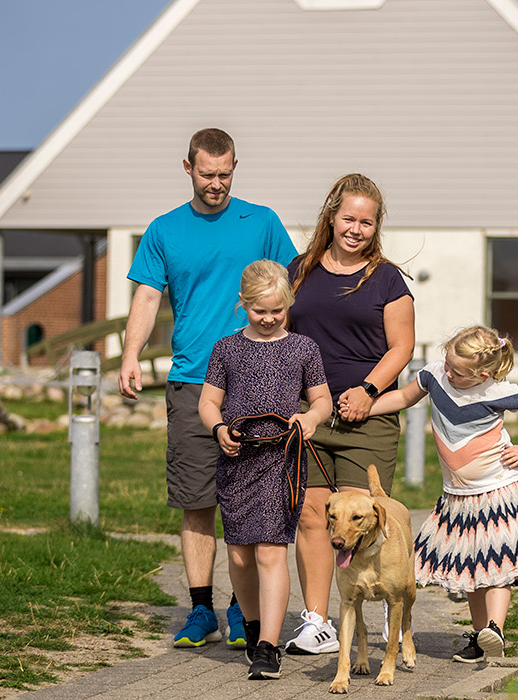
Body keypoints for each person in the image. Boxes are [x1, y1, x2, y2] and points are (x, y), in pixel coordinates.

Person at [117, 128, 298, 650]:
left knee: (249, 502)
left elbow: (290, 289)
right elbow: (148, 298)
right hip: (193, 380)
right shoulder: (164, 230)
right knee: (197, 500)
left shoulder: (261, 221)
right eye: (206, 173)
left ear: (235, 166)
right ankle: (201, 610)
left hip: (257, 381)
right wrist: (131, 354)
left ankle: (243, 611)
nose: (216, 183)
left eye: (225, 173)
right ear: (187, 167)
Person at [282, 173, 415, 655]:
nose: (356, 229)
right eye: (348, 218)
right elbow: (280, 333)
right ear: (331, 216)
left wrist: (366, 390)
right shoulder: (299, 270)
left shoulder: (386, 278)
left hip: (368, 419)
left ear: (376, 226)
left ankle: (380, 624)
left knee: (362, 520)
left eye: (367, 221)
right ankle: (317, 622)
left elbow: (402, 347)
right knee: (313, 518)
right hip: (309, 416)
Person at [367, 325, 518, 662]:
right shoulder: (435, 375)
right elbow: (405, 398)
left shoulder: (498, 391)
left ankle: (495, 628)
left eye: (458, 371)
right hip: (458, 495)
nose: (449, 372)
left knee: (497, 560)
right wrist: (367, 407)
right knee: (471, 567)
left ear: (482, 373)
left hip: (499, 490)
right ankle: (481, 640)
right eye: (447, 363)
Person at [198, 260, 332, 680]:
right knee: (239, 555)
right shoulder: (226, 348)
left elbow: (322, 400)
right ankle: (254, 627)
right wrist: (218, 427)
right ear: (243, 305)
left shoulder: (303, 348)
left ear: (288, 304)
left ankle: (269, 647)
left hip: (282, 462)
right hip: (237, 461)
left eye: (278, 310)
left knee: (272, 551)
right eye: (260, 311)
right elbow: (207, 402)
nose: (270, 318)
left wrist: (310, 419)